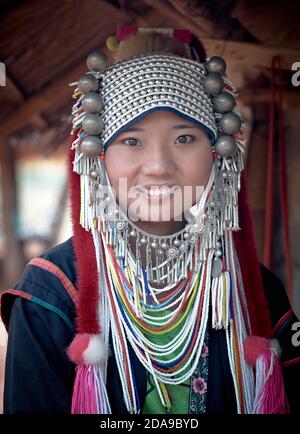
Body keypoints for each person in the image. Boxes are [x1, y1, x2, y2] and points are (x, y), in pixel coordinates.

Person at [1, 26, 299, 415]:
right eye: (131, 140)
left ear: (218, 153)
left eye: (184, 139)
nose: (158, 166)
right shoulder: (51, 295)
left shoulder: (256, 294)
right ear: (97, 156)